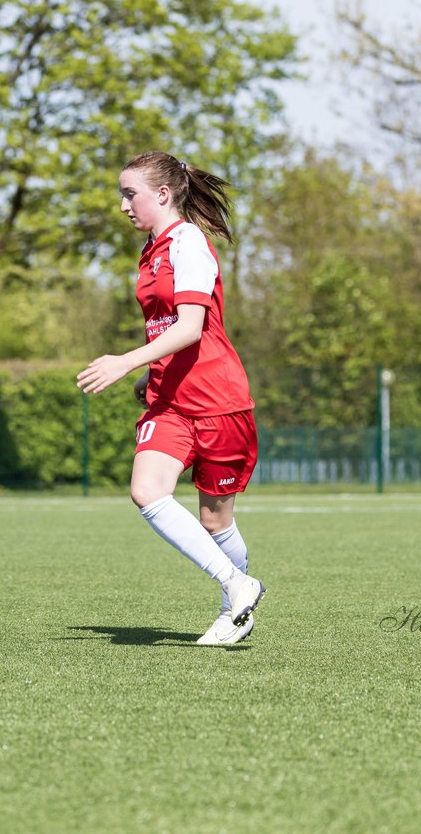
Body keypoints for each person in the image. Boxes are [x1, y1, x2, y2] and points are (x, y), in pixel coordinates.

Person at [77, 150, 265, 646]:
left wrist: (125, 362)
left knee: (214, 519)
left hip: (220, 400)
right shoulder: (152, 248)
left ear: (162, 194)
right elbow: (166, 328)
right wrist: (153, 372)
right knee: (147, 489)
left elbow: (191, 327)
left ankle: (234, 611)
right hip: (173, 401)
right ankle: (236, 584)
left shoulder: (188, 244)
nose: (122, 205)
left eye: (129, 193)